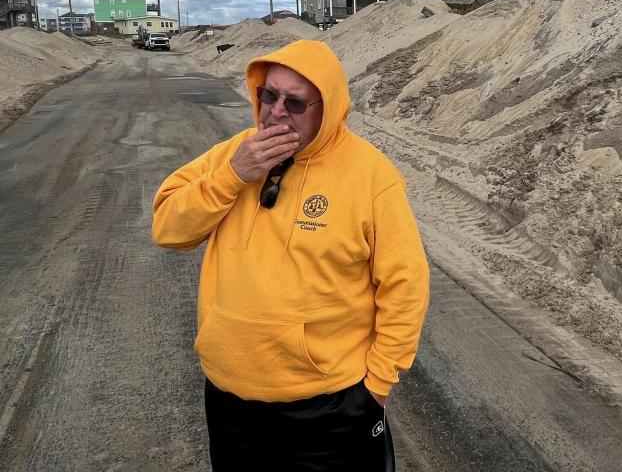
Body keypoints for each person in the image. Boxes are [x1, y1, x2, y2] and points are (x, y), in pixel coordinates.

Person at [152, 39, 430, 471]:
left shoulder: (372, 176)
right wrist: (233, 176)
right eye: (268, 95)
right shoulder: (236, 154)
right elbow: (168, 230)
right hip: (229, 402)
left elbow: (405, 285)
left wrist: (376, 386)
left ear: (329, 109)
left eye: (296, 103)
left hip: (330, 410)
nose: (276, 111)